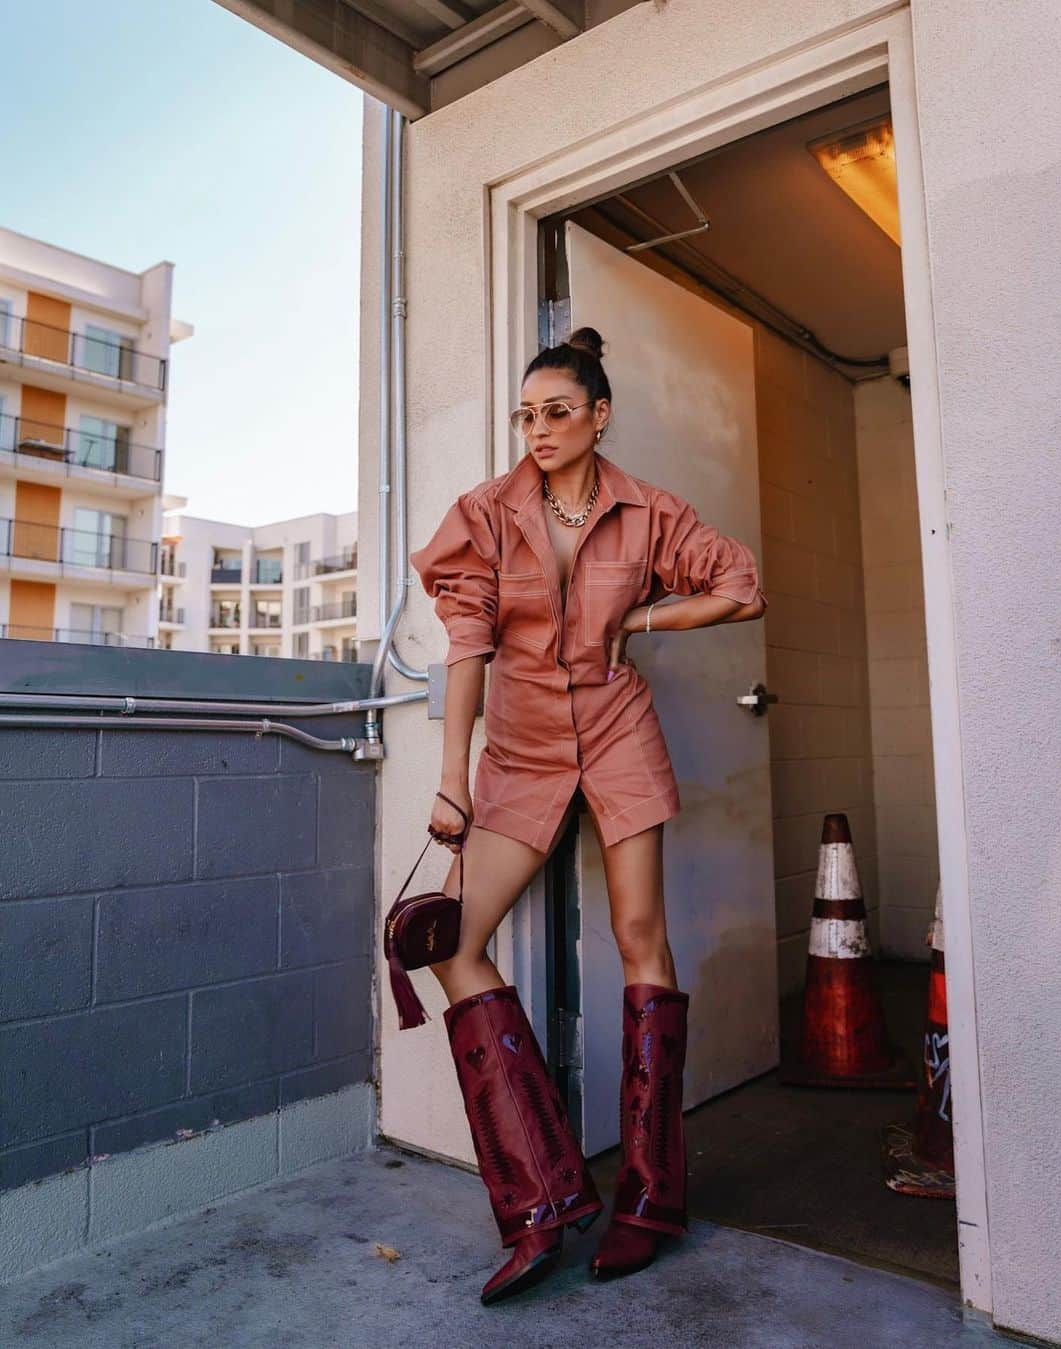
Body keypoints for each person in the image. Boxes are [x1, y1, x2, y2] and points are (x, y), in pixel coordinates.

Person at [407, 326, 768, 1305]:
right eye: (526, 414)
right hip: (520, 754)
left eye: (558, 411)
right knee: (453, 939)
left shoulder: (651, 511)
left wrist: (642, 617)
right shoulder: (484, 513)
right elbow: (468, 644)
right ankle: (543, 1195)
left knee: (641, 933)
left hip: (618, 735)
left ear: (600, 415)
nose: (539, 429)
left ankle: (650, 1196)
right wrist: (454, 779)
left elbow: (741, 584)